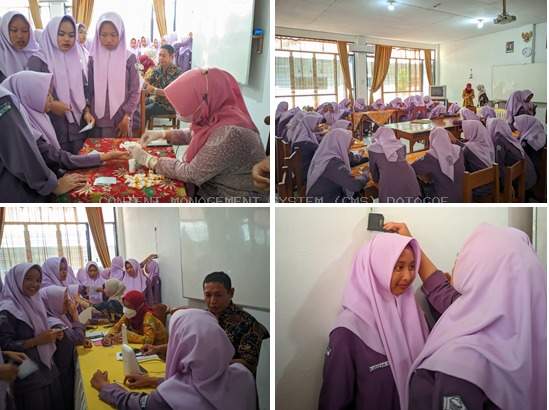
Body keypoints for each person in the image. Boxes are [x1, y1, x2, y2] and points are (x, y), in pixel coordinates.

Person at [385, 222, 545, 410]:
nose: (456, 263)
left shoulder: (459, 364)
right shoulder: (530, 336)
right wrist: (413, 244)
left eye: (462, 256)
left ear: (480, 271)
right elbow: (442, 292)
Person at [318, 232, 428, 410]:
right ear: (377, 269)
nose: (408, 276)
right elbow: (334, 401)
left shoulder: (416, 317)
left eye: (412, 266)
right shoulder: (347, 332)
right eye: (398, 267)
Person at [132, 68, 268, 202]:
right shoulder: (220, 115)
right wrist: (163, 134)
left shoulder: (230, 133)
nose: (178, 109)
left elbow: (191, 173)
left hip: (230, 201)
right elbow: (196, 134)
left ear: (202, 99)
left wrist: (150, 160)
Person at [91, 309, 256, 410]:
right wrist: (153, 380)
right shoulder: (244, 376)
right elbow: (202, 382)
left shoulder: (171, 397)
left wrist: (106, 387)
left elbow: (135, 404)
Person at [2, 71, 126, 170]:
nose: (51, 99)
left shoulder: (38, 118)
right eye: (47, 94)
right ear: (28, 96)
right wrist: (104, 157)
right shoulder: (27, 130)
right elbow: (56, 158)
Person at [0, 264, 63, 410]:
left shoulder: (35, 301)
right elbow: (5, 346)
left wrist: (52, 332)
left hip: (46, 366)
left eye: (38, 280)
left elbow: (42, 327)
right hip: (27, 371)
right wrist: (37, 341)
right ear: (16, 280)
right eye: (28, 279)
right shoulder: (7, 310)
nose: (34, 284)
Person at [27, 16, 94, 153]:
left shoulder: (75, 59)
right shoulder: (38, 60)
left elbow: (84, 88)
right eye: (61, 34)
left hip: (79, 125)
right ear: (51, 34)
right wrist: (52, 105)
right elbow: (31, 95)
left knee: (81, 161)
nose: (67, 39)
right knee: (61, 162)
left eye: (71, 35)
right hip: (54, 124)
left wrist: (87, 110)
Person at [88, 12, 140, 137]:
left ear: (120, 34)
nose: (108, 40)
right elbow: (89, 90)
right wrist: (87, 111)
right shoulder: (93, 58)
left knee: (120, 148)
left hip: (121, 119)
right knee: (99, 148)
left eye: (113, 35)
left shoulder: (129, 58)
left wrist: (127, 115)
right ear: (98, 35)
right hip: (97, 119)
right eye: (103, 35)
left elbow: (135, 90)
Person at [40, 285, 90, 410]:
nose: (68, 302)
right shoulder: (53, 322)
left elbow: (75, 337)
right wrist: (75, 315)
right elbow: (76, 339)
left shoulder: (58, 316)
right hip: (62, 371)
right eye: (64, 300)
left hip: (66, 365)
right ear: (53, 302)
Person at [306, 128, 369, 202]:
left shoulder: (325, 153)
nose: (349, 147)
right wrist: (366, 174)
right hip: (325, 201)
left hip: (319, 195)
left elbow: (348, 158)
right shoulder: (333, 163)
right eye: (348, 144)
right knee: (361, 194)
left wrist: (360, 156)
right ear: (341, 144)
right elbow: (355, 186)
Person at [367, 127, 421, 203]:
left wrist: (376, 180)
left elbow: (373, 170)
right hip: (408, 176)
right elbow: (399, 164)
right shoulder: (401, 145)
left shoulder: (372, 149)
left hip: (388, 180)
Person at [412, 128, 465, 202]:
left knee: (421, 183)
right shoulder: (458, 151)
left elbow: (413, 168)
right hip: (460, 196)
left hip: (442, 200)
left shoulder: (431, 156)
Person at [486, 117, 537, 192]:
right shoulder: (508, 136)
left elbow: (499, 164)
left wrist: (507, 187)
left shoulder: (498, 139)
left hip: (522, 183)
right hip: (529, 177)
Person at [102, 290, 167, 346]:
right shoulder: (129, 314)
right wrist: (108, 336)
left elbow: (148, 340)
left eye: (129, 306)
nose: (126, 309)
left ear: (139, 307)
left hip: (158, 351)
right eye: (125, 306)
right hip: (143, 347)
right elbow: (117, 327)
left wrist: (128, 335)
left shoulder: (148, 317)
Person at [144, 44, 183, 120]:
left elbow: (171, 93)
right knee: (138, 106)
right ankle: (142, 126)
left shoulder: (177, 72)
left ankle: (142, 127)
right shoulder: (157, 70)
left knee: (143, 111)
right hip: (157, 100)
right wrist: (145, 83)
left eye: (164, 56)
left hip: (169, 106)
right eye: (160, 55)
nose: (161, 58)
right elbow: (148, 82)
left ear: (171, 57)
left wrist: (153, 90)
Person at [0, 12, 39, 82]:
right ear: (4, 31)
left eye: (25, 31)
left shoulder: (39, 53)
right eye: (14, 30)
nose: (20, 36)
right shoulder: (2, 58)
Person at [287, 111, 322, 180]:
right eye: (316, 124)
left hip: (300, 173)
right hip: (307, 176)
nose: (318, 126)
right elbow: (320, 154)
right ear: (310, 124)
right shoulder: (306, 143)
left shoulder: (300, 137)